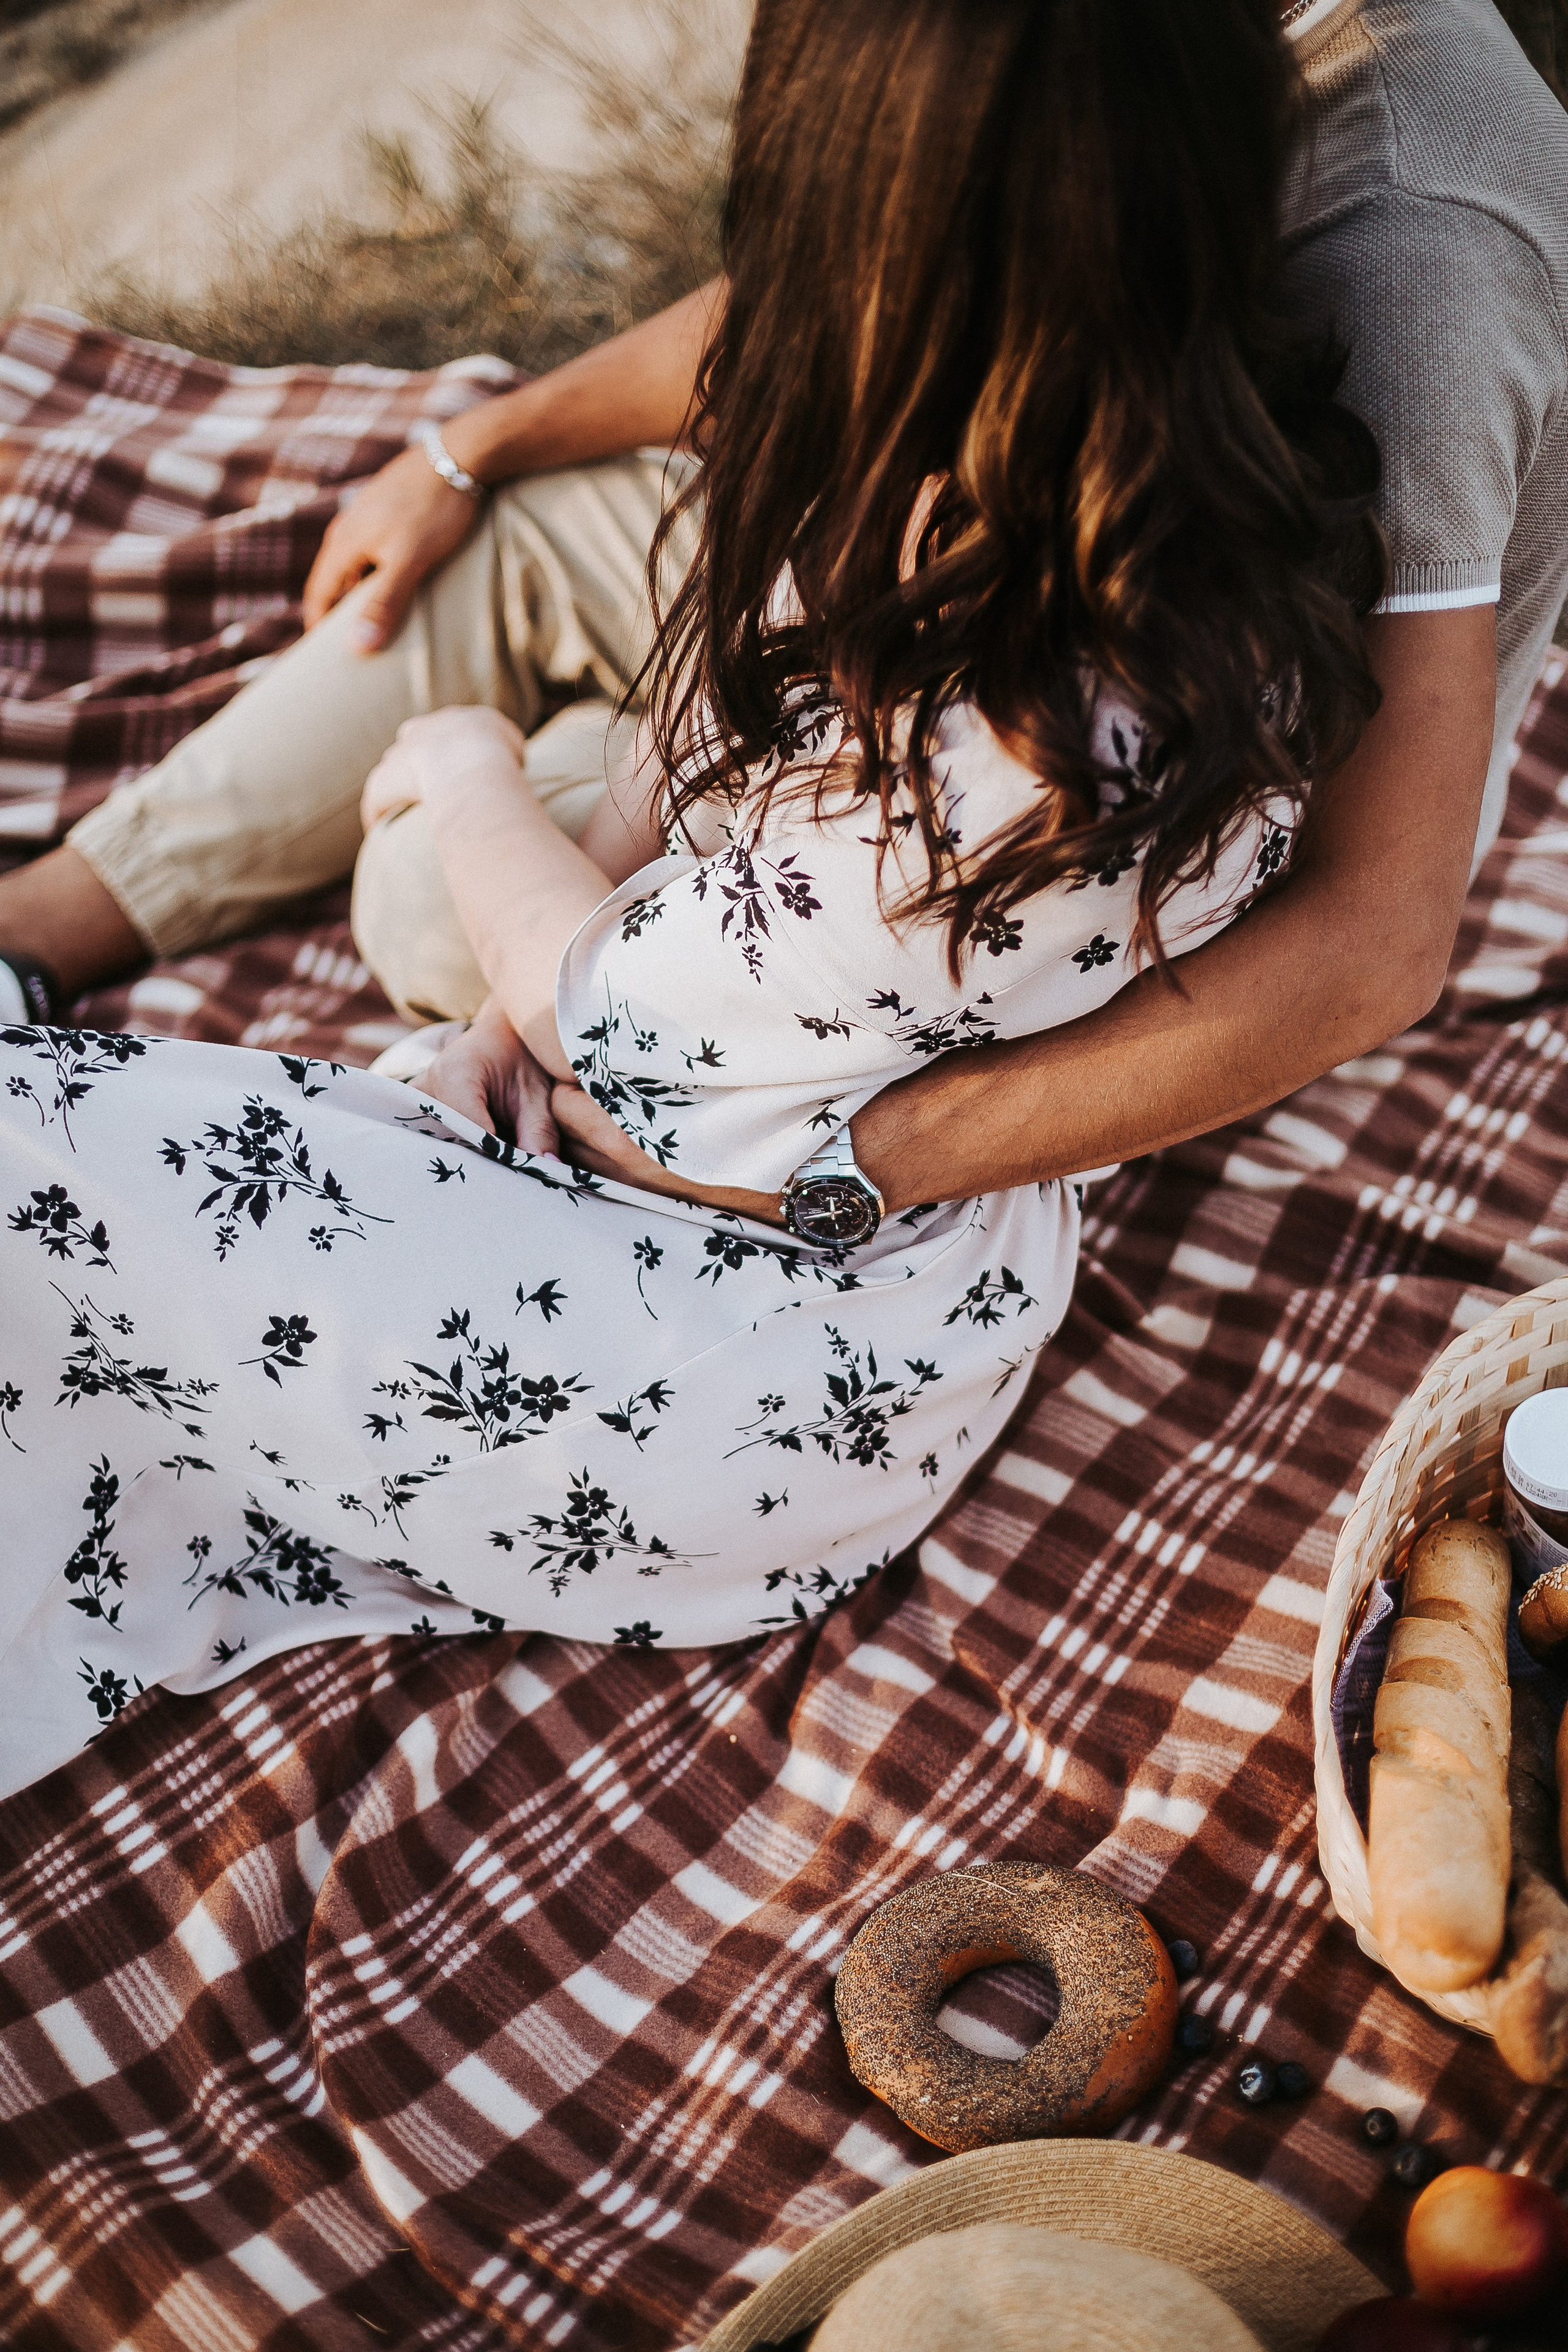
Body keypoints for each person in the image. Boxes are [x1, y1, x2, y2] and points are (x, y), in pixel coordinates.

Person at [2, 0, 1395, 1798]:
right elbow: (715, 712)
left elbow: (607, 1027)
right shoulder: (1150, 516)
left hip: (735, 1397)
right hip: (826, 1226)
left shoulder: (997, 763)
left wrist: (466, 759)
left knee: (52, 1152)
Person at [0, 0, 1559, 1212]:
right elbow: (868, 262)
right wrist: (465, 445)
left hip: (1096, 819)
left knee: (431, 884)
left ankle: (567, 803)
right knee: (519, 540)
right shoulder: (1116, 64)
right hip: (978, 552)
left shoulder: (1419, 238)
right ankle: (50, 923)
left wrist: (844, 1152)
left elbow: (1371, 935)